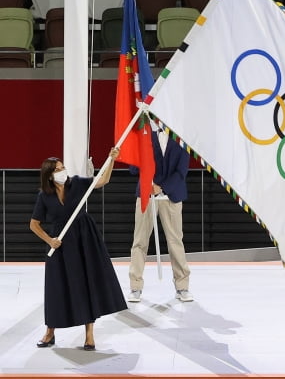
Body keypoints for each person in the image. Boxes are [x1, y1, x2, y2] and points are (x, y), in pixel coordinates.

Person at [30, 147, 127, 350]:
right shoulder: (44, 197)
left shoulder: (78, 183)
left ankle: (89, 335)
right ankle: (50, 332)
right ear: (49, 175)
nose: (63, 171)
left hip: (84, 238)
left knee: (86, 283)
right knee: (56, 287)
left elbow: (102, 181)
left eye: (63, 167)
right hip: (60, 244)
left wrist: (111, 161)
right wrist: (49, 240)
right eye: (58, 169)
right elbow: (34, 224)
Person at [128, 128, 193, 303]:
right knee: (140, 241)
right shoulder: (145, 137)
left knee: (175, 241)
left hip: (172, 195)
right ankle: (135, 286)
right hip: (146, 195)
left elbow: (182, 171)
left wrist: (161, 187)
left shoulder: (182, 139)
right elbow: (133, 169)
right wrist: (136, 154)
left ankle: (182, 286)